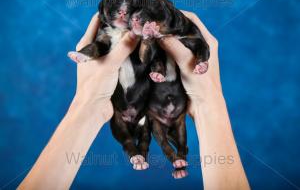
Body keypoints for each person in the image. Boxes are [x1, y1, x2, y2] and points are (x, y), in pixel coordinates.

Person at [18, 11, 250, 190]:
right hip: (143, 108)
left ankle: (174, 154)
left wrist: (85, 106)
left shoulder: (154, 56)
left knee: (160, 136)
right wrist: (210, 104)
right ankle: (161, 153)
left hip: (155, 107)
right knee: (150, 137)